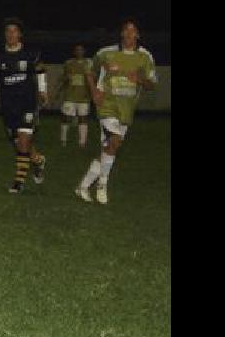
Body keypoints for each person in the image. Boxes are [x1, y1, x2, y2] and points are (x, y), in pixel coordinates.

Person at [75, 18, 159, 205]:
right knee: (114, 140)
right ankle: (102, 185)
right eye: (126, 31)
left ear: (138, 35)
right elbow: (89, 69)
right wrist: (94, 90)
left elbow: (152, 84)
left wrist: (140, 79)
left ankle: (83, 186)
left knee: (109, 148)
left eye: (133, 31)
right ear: (121, 33)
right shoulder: (106, 53)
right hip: (107, 106)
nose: (129, 34)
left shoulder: (145, 57)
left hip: (126, 110)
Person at [0, 18, 49, 193]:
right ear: (5, 35)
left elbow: (41, 72)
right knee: (20, 145)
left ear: (20, 34)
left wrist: (42, 91)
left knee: (24, 140)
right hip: (8, 105)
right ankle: (38, 160)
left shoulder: (31, 54)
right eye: (8, 31)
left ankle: (18, 182)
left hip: (28, 103)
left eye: (14, 31)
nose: (11, 34)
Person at [58, 43, 94, 148]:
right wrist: (63, 83)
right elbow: (63, 78)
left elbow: (92, 79)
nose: (79, 52)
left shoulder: (89, 63)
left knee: (83, 119)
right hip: (70, 96)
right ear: (74, 52)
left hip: (84, 97)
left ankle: (82, 142)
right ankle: (63, 140)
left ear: (84, 51)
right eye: (77, 50)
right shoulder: (68, 63)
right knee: (66, 118)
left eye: (81, 50)